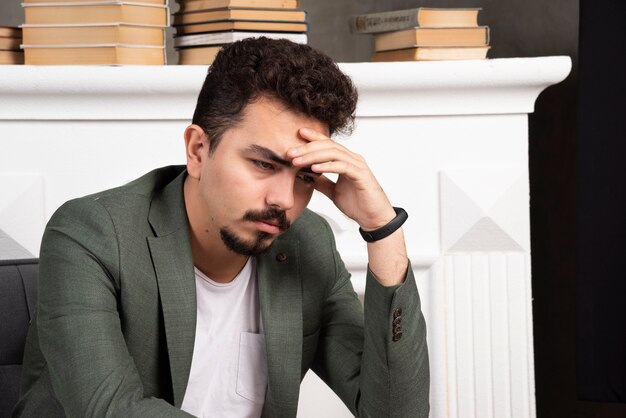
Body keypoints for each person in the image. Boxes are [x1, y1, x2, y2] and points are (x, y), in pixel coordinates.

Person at [13, 38, 429, 418]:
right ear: (198, 150)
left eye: (305, 176)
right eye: (264, 164)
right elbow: (109, 409)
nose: (283, 200)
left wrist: (382, 229)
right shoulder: (92, 234)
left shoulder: (307, 244)